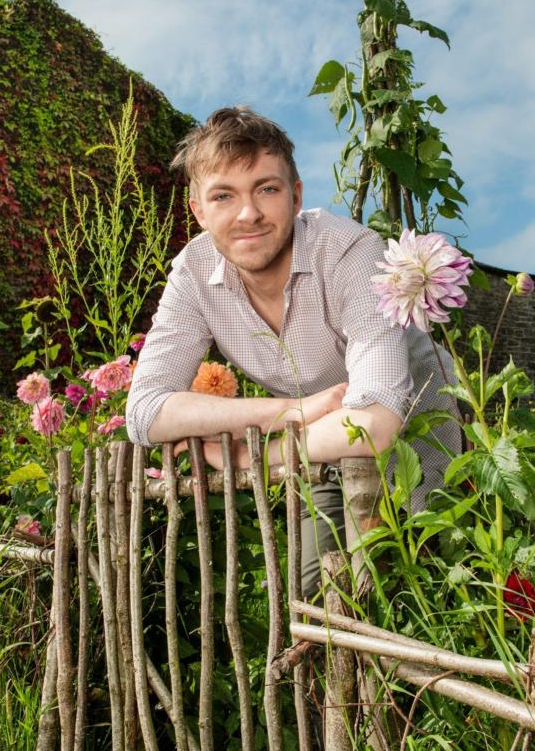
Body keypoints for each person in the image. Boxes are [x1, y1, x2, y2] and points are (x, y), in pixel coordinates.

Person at [125, 106, 460, 598]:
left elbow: (378, 419)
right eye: (224, 195)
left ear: (296, 195)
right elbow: (145, 411)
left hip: (422, 430)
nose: (249, 214)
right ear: (197, 209)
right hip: (319, 437)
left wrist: (252, 457)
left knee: (426, 581)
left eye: (267, 188)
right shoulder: (193, 274)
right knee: (316, 597)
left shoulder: (351, 251)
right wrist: (290, 411)